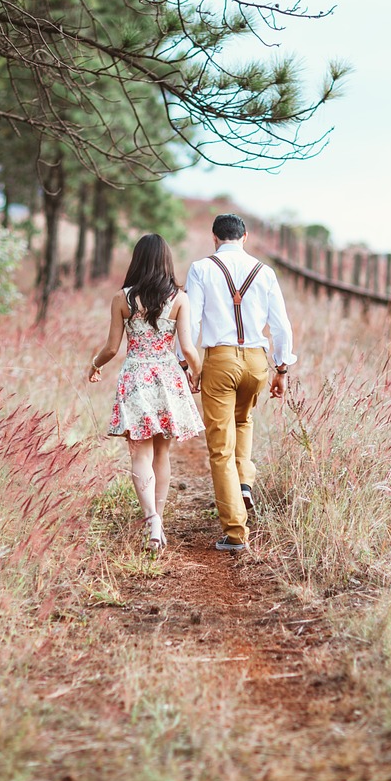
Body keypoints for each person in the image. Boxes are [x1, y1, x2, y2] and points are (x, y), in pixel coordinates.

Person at [183, 213, 296, 552]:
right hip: (257, 362)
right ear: (244, 237)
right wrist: (281, 369)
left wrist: (186, 363)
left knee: (220, 449)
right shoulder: (266, 272)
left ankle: (235, 532)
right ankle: (244, 480)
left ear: (214, 238)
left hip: (220, 359)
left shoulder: (202, 269)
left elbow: (191, 320)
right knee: (243, 419)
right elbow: (282, 326)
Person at [88, 234, 204, 553]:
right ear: (166, 260)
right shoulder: (179, 298)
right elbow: (189, 348)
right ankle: (159, 521)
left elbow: (112, 348)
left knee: (140, 454)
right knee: (162, 455)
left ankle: (151, 518)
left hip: (136, 376)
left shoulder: (122, 299)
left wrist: (94, 365)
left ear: (137, 260)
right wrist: (198, 374)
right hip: (167, 376)